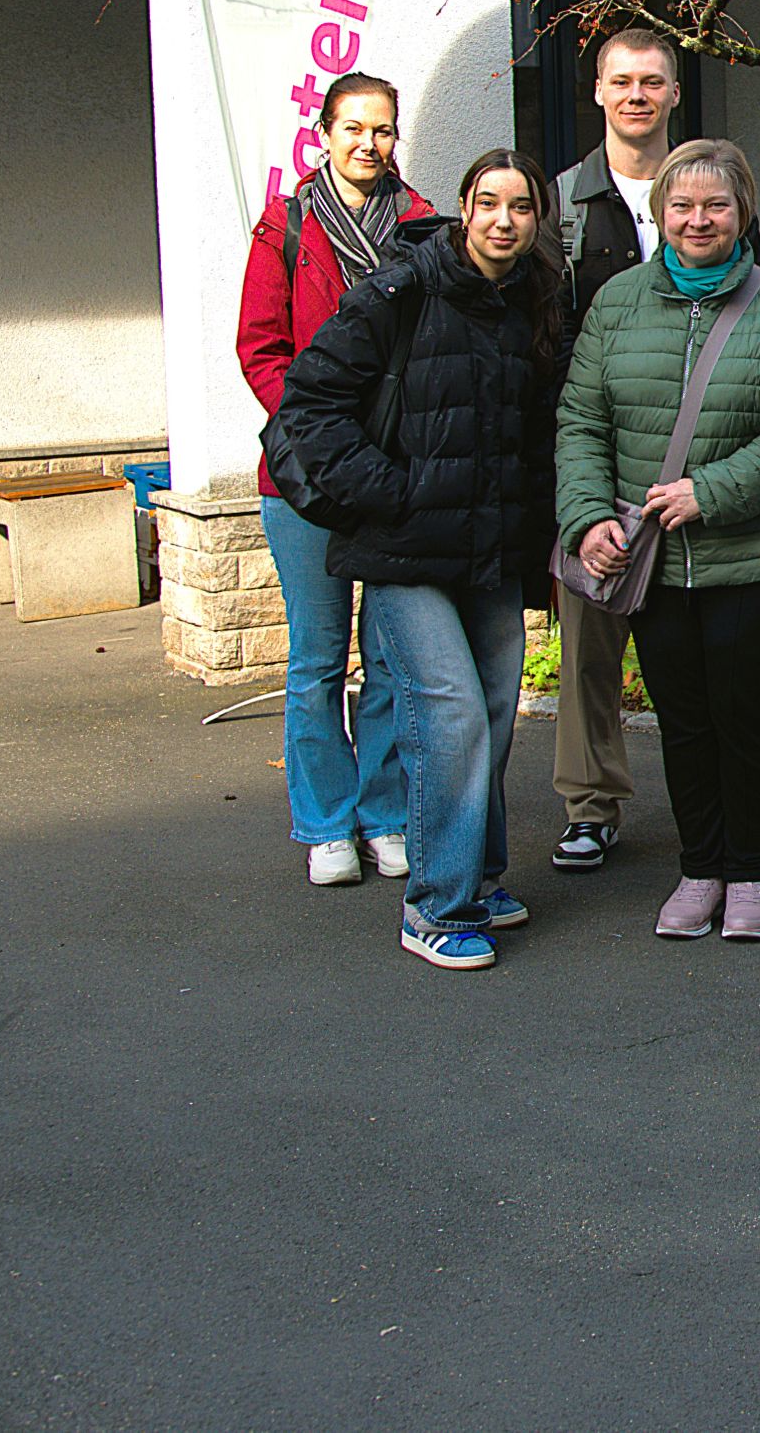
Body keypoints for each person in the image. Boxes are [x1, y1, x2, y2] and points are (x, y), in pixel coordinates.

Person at [273, 150, 570, 970]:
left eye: (521, 206)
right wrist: (387, 492)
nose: (504, 220)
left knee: (496, 713)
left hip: (490, 551)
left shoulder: (537, 300)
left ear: (537, 219)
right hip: (404, 552)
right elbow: (309, 398)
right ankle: (437, 905)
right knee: (450, 714)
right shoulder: (401, 289)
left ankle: (479, 873)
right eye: (489, 203)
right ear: (464, 210)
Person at [559, 139, 760, 944]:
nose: (698, 219)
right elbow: (582, 420)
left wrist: (708, 492)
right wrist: (587, 517)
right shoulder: (617, 302)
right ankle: (699, 865)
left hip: (756, 557)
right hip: (649, 559)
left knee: (747, 717)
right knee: (682, 720)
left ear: (743, 212)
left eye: (716, 204)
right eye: (682, 205)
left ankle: (751, 869)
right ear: (661, 213)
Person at [234, 72, 434, 889]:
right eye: (353, 127)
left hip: (390, 473)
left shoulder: (421, 227)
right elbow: (260, 347)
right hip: (306, 477)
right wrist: (323, 429)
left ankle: (384, 814)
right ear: (324, 133)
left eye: (381, 129)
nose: (368, 143)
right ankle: (324, 822)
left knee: (387, 657)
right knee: (317, 658)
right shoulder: (284, 227)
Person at [546, 27, 680, 875]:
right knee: (589, 649)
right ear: (597, 90)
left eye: (652, 81)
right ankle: (590, 806)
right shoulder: (560, 203)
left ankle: (712, 809)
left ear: (674, 94)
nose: (637, 95)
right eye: (621, 80)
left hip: (694, 460)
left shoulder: (709, 186)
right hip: (595, 457)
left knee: (691, 652)